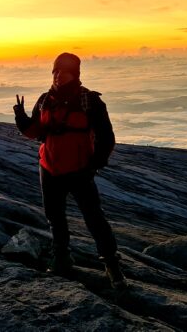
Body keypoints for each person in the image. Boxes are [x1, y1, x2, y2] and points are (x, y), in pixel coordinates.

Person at [13, 52, 125, 289]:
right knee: (55, 218)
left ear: (75, 74)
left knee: (94, 219)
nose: (57, 76)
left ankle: (112, 267)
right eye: (55, 71)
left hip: (79, 170)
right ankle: (61, 259)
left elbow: (106, 137)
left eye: (64, 72)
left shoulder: (90, 101)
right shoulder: (45, 100)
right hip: (49, 168)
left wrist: (94, 164)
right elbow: (36, 133)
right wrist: (21, 119)